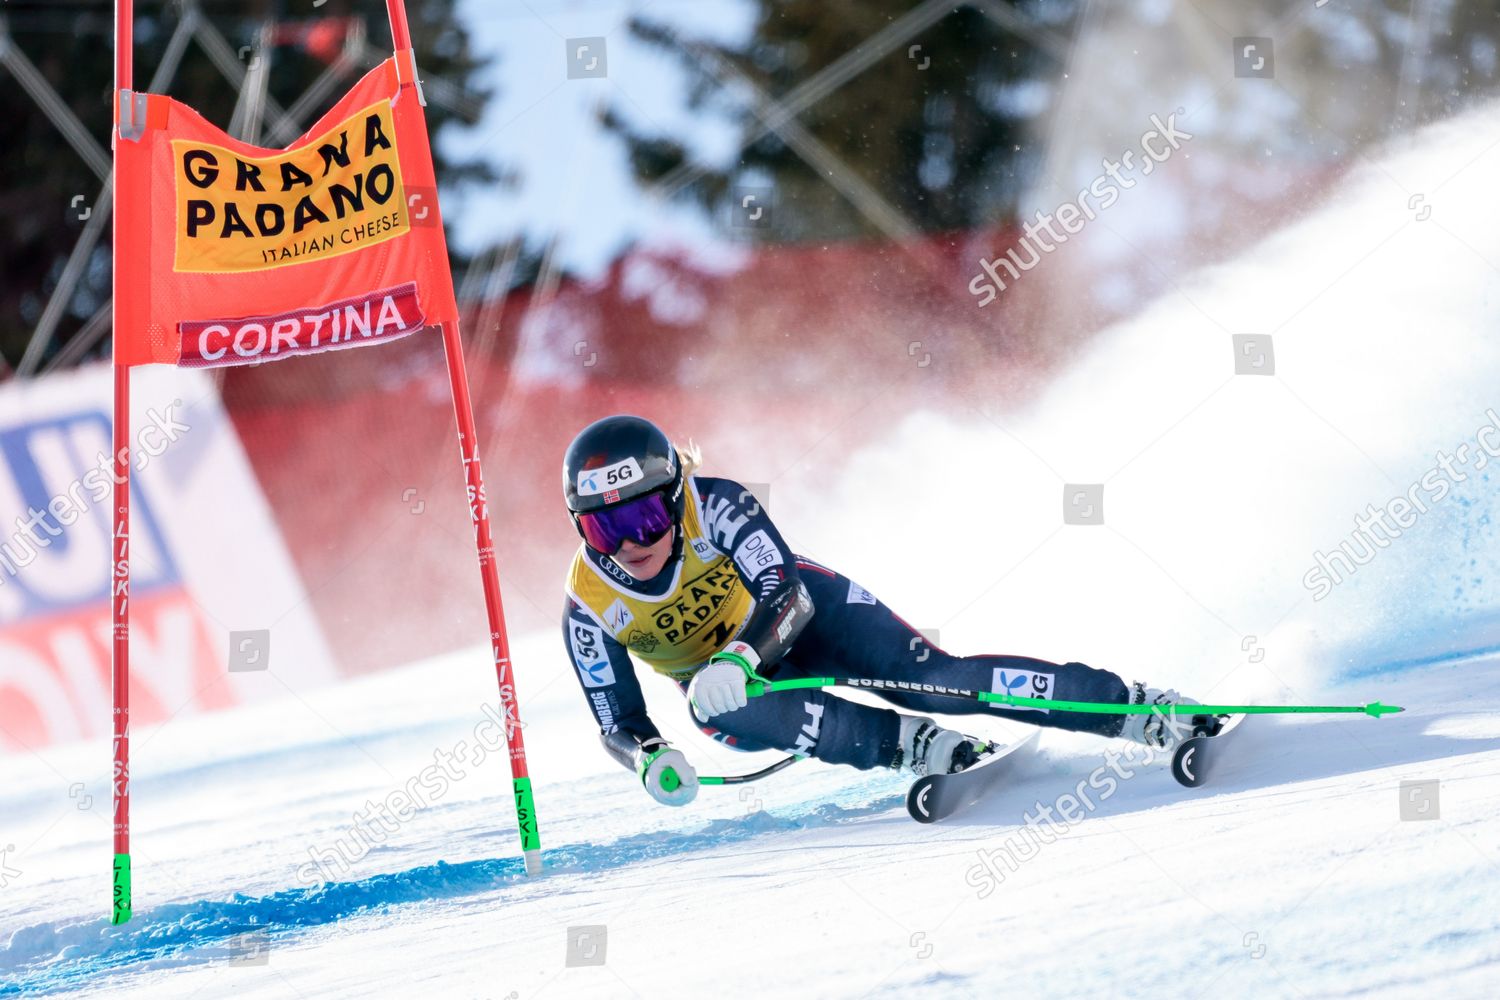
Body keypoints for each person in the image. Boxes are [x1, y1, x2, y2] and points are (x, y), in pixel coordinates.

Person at [560, 414, 1204, 807]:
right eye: (603, 529)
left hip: (805, 618)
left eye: (644, 518)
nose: (631, 544)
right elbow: (618, 720)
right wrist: (650, 757)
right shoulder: (589, 605)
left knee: (935, 682)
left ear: (676, 497)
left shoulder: (719, 504)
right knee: (714, 705)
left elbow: (787, 593)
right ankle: (921, 749)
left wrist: (738, 654)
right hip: (738, 690)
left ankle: (1138, 709)